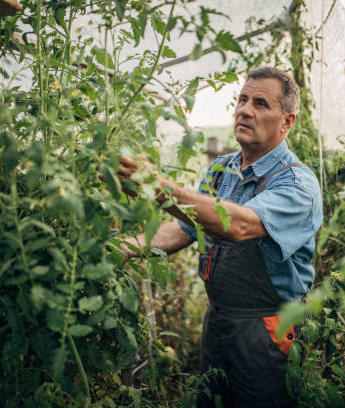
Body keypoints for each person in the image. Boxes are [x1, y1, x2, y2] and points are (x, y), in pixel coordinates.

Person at [117, 66, 323, 407]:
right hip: (218, 320)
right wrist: (126, 247)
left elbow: (238, 224)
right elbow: (187, 227)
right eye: (242, 99)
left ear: (287, 122)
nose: (244, 109)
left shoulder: (297, 184)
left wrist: (156, 186)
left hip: (266, 328)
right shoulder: (221, 170)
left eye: (260, 103)